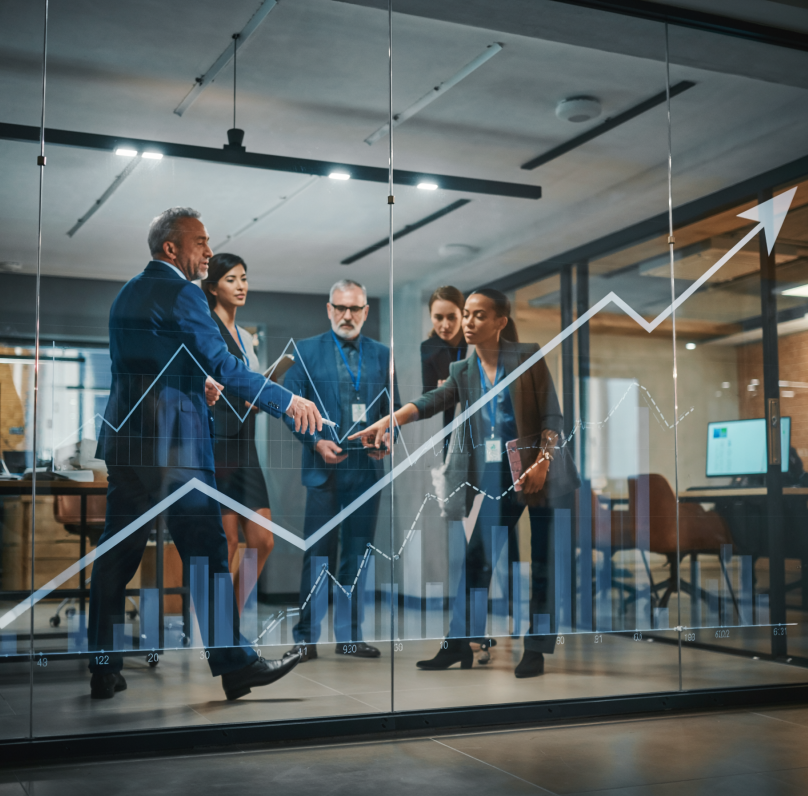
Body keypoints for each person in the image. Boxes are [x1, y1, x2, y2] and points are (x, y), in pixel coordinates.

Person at [89, 207, 323, 700]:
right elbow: (223, 361)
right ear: (172, 248)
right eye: (201, 242)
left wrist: (199, 383)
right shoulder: (184, 293)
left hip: (127, 444)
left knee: (116, 554)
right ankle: (235, 666)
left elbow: (149, 363)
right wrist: (287, 401)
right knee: (209, 552)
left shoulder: (126, 294)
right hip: (174, 446)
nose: (209, 252)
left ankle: (102, 665)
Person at [352, 289, 578, 678]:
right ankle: (458, 643)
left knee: (541, 565)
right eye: (467, 315)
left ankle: (536, 650)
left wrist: (542, 462)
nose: (469, 323)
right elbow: (432, 401)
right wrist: (390, 420)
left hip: (544, 476)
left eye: (478, 315)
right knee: (477, 560)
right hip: (498, 476)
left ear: (500, 322)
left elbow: (552, 418)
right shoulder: (464, 372)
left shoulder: (527, 357)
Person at [284, 279, 399, 662]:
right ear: (329, 309)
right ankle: (305, 638)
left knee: (358, 555)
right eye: (340, 308)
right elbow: (288, 406)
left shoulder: (383, 355)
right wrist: (315, 441)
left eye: (355, 309)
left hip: (365, 472)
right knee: (318, 555)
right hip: (323, 468)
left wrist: (387, 439)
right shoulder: (305, 352)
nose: (347, 315)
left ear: (366, 312)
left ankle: (350, 637)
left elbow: (393, 411)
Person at [201, 253, 275, 604]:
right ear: (213, 287)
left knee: (263, 541)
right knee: (228, 543)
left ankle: (230, 615)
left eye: (244, 278)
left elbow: (249, 384)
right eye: (231, 279)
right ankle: (222, 628)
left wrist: (257, 397)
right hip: (218, 445)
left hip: (246, 446)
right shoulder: (205, 328)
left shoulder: (247, 337)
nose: (241, 285)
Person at [420, 286, 467, 436]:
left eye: (452, 317)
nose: (445, 325)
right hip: (450, 418)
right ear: (431, 316)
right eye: (438, 318)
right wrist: (439, 393)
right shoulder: (429, 348)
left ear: (463, 314)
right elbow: (428, 396)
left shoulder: (476, 342)